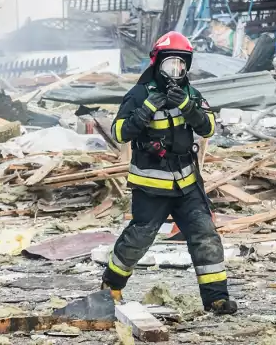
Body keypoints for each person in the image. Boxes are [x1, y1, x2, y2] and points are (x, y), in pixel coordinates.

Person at [101, 31, 238, 316]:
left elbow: (209, 127)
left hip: (187, 183)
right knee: (139, 238)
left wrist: (188, 107)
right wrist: (144, 112)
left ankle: (217, 299)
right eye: (169, 65)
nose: (175, 72)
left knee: (205, 234)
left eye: (181, 65)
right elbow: (117, 132)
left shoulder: (190, 94)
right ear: (157, 63)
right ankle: (110, 286)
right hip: (151, 184)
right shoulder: (139, 94)